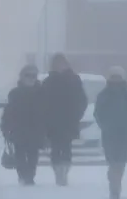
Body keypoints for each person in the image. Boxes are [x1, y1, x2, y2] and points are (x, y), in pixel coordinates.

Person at [93, 66, 127, 199]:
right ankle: (114, 187)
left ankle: (116, 182)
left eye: (118, 76)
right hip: (109, 134)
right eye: (113, 76)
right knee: (113, 160)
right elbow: (98, 113)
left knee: (121, 162)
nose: (116, 79)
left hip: (124, 133)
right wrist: (104, 126)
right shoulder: (103, 95)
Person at [41, 54, 89, 187]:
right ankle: (58, 173)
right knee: (56, 147)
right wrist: (46, 118)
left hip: (69, 120)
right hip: (53, 122)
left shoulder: (74, 80)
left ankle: (65, 172)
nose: (59, 66)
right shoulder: (48, 82)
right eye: (56, 63)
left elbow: (82, 100)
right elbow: (42, 103)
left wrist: (76, 115)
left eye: (62, 63)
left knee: (66, 147)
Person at [1, 65, 45, 186]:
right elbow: (8, 111)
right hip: (19, 129)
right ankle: (22, 176)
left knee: (33, 154)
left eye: (34, 76)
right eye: (28, 75)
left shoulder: (41, 93)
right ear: (22, 77)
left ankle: (30, 177)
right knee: (20, 153)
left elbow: (47, 111)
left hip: (35, 129)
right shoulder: (14, 93)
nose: (31, 78)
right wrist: (5, 127)